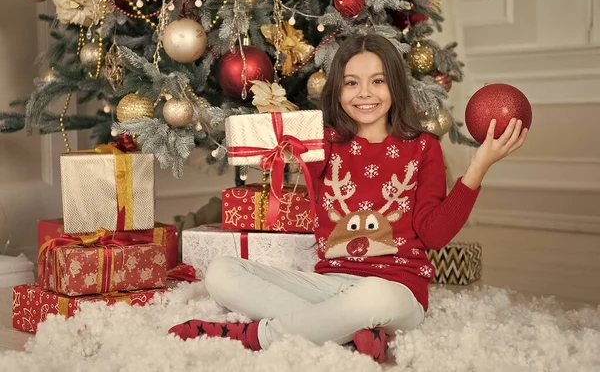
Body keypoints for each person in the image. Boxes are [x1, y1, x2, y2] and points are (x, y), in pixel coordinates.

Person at [168, 34, 528, 363]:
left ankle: (260, 336)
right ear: (337, 91)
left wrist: (478, 167)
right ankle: (353, 334)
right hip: (329, 283)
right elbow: (268, 146)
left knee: (375, 297)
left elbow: (433, 235)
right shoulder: (323, 143)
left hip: (396, 292)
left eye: (378, 81)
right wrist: (284, 146)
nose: (364, 93)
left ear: (395, 86)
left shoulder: (423, 148)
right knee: (221, 272)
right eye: (351, 83)